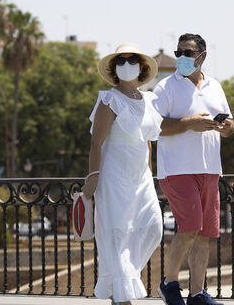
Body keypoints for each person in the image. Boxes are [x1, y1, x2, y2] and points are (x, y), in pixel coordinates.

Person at [153, 33, 234, 305]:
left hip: (210, 169)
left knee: (205, 233)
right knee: (190, 227)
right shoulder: (165, 88)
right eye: (179, 52)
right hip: (177, 170)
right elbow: (157, 127)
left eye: (188, 53)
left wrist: (226, 128)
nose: (182, 58)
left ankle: (198, 294)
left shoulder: (215, 86)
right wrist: (190, 123)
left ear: (202, 56)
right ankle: (169, 283)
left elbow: (230, 123)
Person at [82, 42, 164, 305]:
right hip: (114, 179)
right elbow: (96, 142)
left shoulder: (148, 101)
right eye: (120, 61)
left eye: (131, 60)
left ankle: (124, 282)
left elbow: (147, 140)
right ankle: (123, 295)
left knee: (153, 228)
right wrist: (93, 176)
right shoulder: (109, 100)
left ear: (142, 68)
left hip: (141, 179)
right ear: (114, 69)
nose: (126, 65)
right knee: (118, 234)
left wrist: (150, 175)